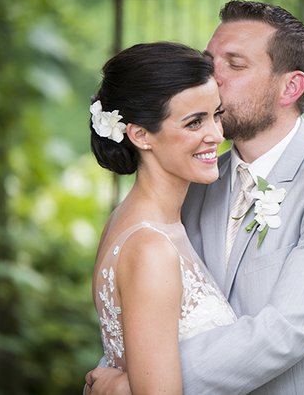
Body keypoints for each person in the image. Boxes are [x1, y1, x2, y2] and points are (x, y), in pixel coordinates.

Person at [87, 0, 304, 394]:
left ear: (290, 87)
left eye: (234, 64)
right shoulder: (198, 184)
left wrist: (137, 383)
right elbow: (149, 309)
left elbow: (284, 330)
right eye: (209, 60)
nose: (212, 78)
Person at [86, 41, 236, 395]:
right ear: (140, 135)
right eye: (194, 122)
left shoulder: (130, 219)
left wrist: (124, 386)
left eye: (216, 114)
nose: (216, 135)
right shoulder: (151, 248)